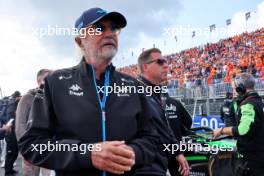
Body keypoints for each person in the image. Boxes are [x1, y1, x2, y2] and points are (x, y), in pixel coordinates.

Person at [18, 7, 158, 176]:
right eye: (99, 28)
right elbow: (32, 144)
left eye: (114, 28)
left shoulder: (133, 86)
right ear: (80, 41)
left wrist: (133, 152)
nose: (109, 33)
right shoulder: (54, 83)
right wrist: (87, 153)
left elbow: (153, 140)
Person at [136, 48, 190, 176]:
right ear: (146, 66)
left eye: (166, 61)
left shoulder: (155, 92)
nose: (166, 65)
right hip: (144, 168)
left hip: (159, 165)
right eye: (160, 62)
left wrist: (178, 152)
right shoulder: (134, 91)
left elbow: (165, 128)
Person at [213, 73, 264, 176]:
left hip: (252, 159)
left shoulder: (248, 104)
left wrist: (221, 131)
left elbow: (243, 130)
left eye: (234, 88)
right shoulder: (259, 101)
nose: (234, 91)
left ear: (240, 88)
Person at [16, 69, 52, 176]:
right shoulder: (27, 98)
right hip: (32, 149)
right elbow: (20, 127)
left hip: (50, 150)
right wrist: (26, 153)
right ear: (39, 81)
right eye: (48, 79)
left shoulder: (52, 98)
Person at [5, 91, 21, 176]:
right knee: (10, 153)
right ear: (17, 97)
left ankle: (11, 169)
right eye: (19, 97)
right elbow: (11, 118)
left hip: (14, 133)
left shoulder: (15, 105)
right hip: (10, 134)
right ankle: (8, 172)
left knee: (15, 152)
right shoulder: (11, 106)